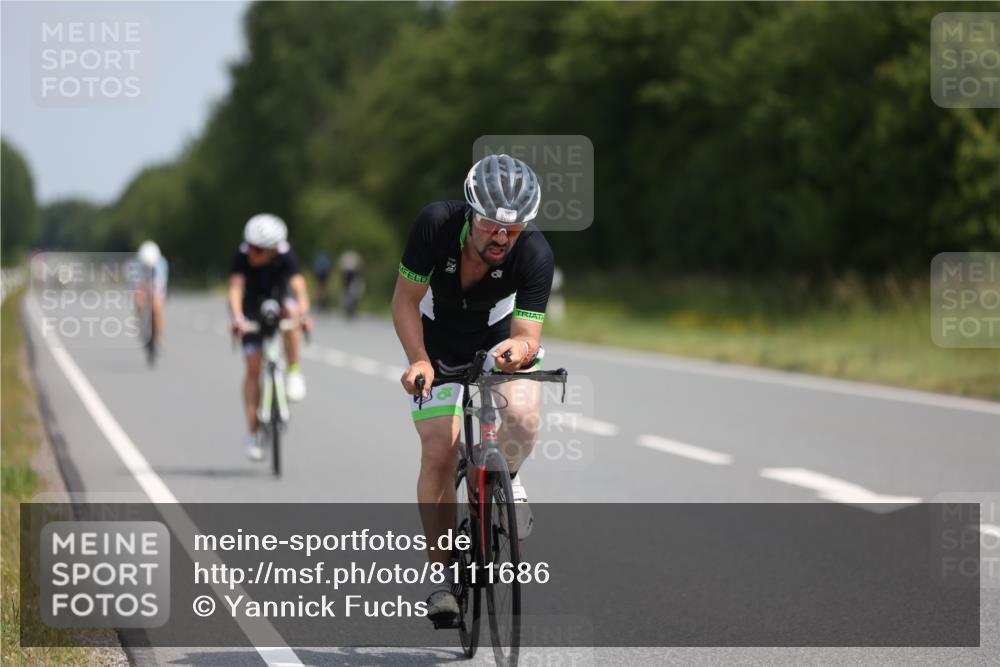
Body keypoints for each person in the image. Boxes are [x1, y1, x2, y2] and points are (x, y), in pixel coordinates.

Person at [392, 154, 554, 624]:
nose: (502, 238)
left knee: (523, 418)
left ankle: (510, 477)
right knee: (440, 452)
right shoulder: (434, 226)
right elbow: (404, 301)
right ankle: (442, 580)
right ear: (470, 213)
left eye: (514, 228)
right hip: (436, 343)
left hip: (498, 339)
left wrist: (517, 353)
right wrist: (418, 359)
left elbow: (528, 336)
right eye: (490, 225)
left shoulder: (535, 252)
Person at [228, 213, 312, 461]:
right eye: (250, 246)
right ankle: (253, 433)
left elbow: (299, 288)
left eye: (257, 249)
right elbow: (234, 289)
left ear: (273, 250)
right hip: (252, 307)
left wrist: (304, 314)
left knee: (293, 313)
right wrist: (237, 318)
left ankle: (294, 370)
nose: (250, 252)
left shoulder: (286, 254)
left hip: (279, 301)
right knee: (253, 369)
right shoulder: (242, 254)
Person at [133, 240, 168, 343]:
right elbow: (135, 285)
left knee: (158, 306)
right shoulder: (136, 265)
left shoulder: (161, 264)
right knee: (138, 301)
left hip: (156, 286)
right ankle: (141, 321)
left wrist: (156, 296)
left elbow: (160, 285)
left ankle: (158, 333)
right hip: (142, 285)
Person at [338, 249, 365, 318]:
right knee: (348, 291)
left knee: (352, 292)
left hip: (350, 278)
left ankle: (351, 307)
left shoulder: (348, 256)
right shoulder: (352, 256)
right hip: (348, 278)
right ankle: (348, 307)